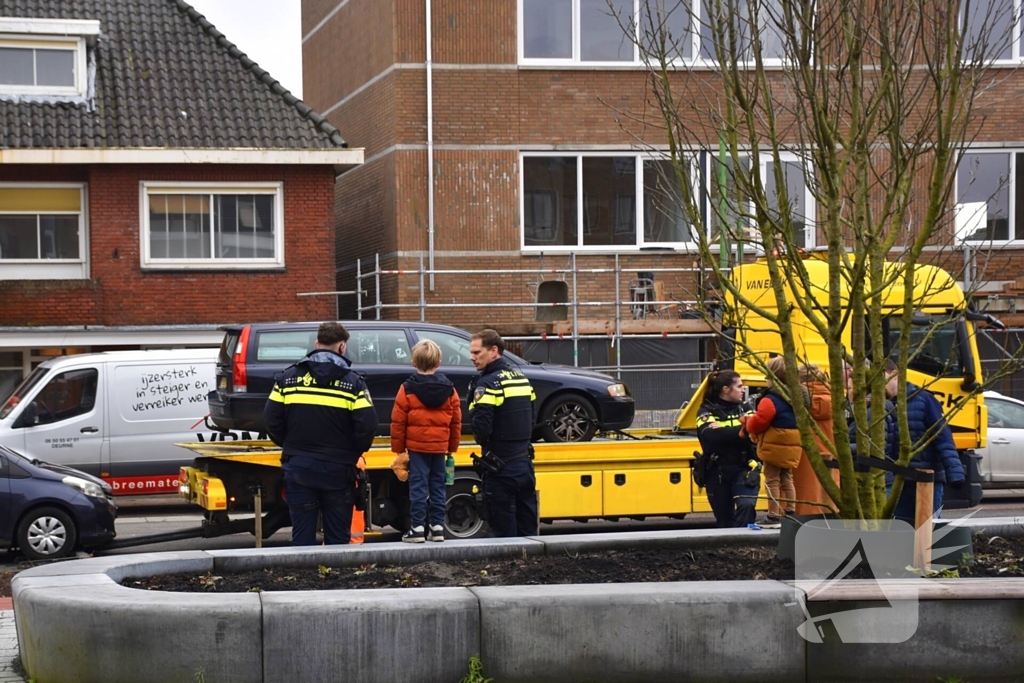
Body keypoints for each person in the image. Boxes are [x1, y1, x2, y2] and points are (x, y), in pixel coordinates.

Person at [263, 322, 378, 546]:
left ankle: (304, 579)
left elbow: (270, 420)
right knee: (337, 539)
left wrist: (290, 445)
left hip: (298, 467)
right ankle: (336, 579)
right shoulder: (353, 383)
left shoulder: (287, 379)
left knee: (302, 537)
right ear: (342, 347)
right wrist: (352, 452)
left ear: (317, 344)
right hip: (339, 470)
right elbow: (368, 426)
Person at [467, 328, 538, 537]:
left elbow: (481, 427)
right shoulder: (521, 378)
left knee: (502, 532)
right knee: (528, 527)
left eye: (477, 352)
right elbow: (531, 417)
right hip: (524, 465)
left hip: (500, 467)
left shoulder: (488, 384)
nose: (472, 358)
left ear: (494, 351)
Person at [391, 339, 462, 543]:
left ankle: (417, 528)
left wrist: (399, 450)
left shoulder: (406, 388)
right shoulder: (450, 389)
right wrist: (451, 447)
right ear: (438, 362)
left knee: (418, 488)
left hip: (416, 447)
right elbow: (456, 421)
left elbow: (398, 421)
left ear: (413, 363)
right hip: (439, 448)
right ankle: (438, 527)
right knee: (439, 486)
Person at [883, 360, 965, 525]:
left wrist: (955, 474)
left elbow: (942, 438)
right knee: (902, 527)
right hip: (900, 480)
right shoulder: (882, 406)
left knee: (928, 528)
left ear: (894, 375)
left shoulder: (924, 400)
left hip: (926, 479)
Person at [695, 370, 759, 528]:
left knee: (746, 506)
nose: (743, 390)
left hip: (744, 468)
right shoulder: (706, 411)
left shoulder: (744, 407)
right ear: (726, 389)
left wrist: (729, 432)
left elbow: (756, 430)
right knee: (725, 520)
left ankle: (745, 544)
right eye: (739, 386)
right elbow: (712, 437)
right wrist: (743, 429)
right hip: (717, 472)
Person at [744, 356, 803, 527]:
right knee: (787, 478)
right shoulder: (796, 396)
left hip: (774, 446)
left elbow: (759, 422)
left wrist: (747, 422)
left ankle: (773, 516)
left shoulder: (770, 400)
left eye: (767, 376)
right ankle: (791, 512)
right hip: (792, 444)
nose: (765, 379)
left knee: (772, 480)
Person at [792, 364, 839, 515]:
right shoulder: (834, 399)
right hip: (830, 455)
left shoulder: (799, 400)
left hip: (805, 455)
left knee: (803, 498)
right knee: (828, 498)